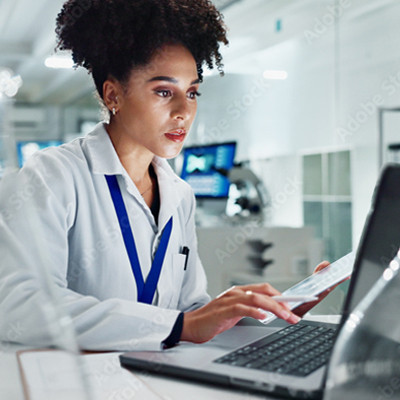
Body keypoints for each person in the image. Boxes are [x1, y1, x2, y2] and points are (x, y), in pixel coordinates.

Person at [0, 0, 329, 351]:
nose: (184, 111)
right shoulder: (54, 176)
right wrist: (182, 324)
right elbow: (19, 307)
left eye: (191, 92)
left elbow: (189, 312)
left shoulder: (178, 194)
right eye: (163, 91)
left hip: (156, 379)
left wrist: (273, 313)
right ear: (113, 94)